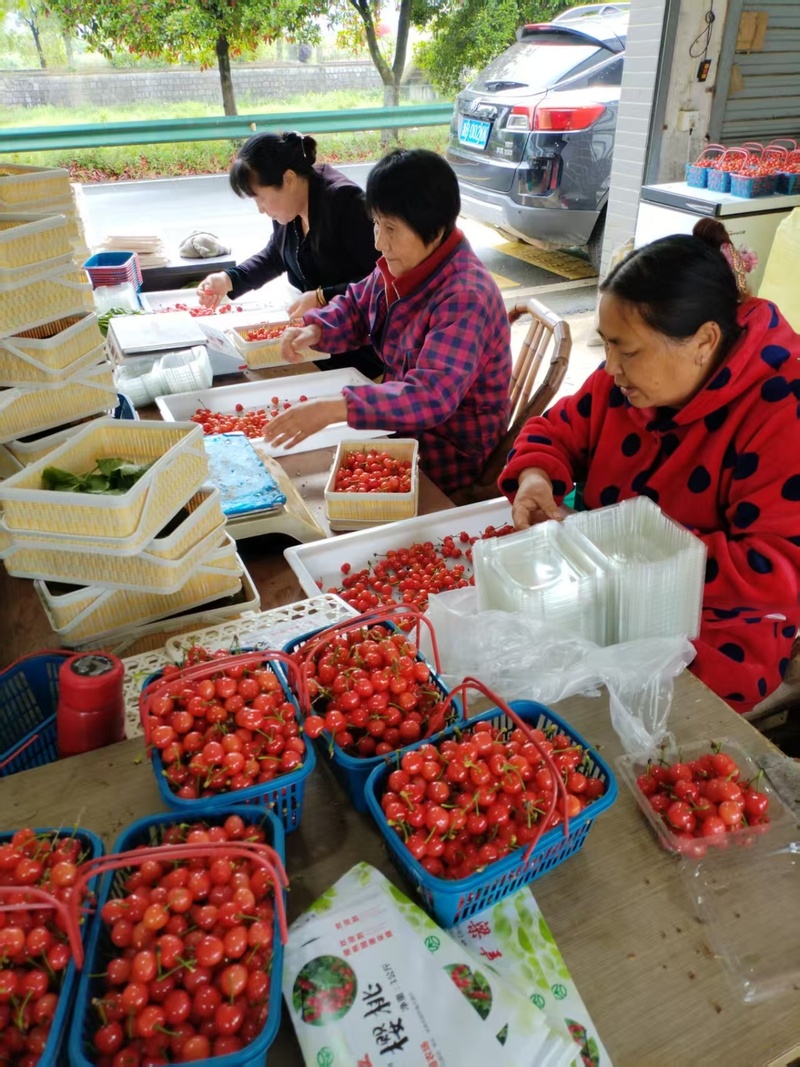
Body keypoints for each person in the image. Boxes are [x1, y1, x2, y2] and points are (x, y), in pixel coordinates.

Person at [498, 218, 800, 714]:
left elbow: (776, 571)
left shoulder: (781, 409)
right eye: (607, 343)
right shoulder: (622, 383)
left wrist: (623, 555)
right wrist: (535, 476)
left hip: (711, 632)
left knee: (594, 720)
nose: (611, 366)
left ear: (704, 341)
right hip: (602, 595)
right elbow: (552, 431)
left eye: (628, 350)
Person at [263, 149, 512, 497]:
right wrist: (315, 329)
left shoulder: (465, 296)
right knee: (295, 469)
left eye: (391, 228)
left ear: (436, 229)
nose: (380, 242)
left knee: (306, 476)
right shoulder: (404, 265)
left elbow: (429, 396)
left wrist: (335, 409)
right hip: (405, 431)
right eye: (377, 224)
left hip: (447, 453)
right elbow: (355, 306)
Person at [197, 131, 382, 377]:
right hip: (312, 340)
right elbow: (276, 254)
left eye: (261, 199)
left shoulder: (345, 202)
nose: (260, 210)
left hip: (358, 348)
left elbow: (383, 279)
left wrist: (323, 296)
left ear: (289, 179)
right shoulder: (291, 208)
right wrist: (230, 278)